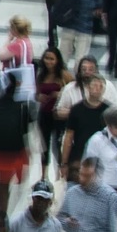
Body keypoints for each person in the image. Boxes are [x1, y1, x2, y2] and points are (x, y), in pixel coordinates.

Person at [0, 72, 34, 214]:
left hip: (4, 149)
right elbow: (27, 128)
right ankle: (8, 213)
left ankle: (6, 212)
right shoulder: (20, 104)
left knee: (5, 184)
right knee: (13, 184)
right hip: (11, 150)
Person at [35, 47, 73, 180]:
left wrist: (60, 94)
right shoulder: (41, 75)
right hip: (44, 114)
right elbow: (35, 92)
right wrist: (38, 97)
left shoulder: (64, 75)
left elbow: (73, 89)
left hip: (59, 116)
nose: (49, 62)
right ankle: (43, 176)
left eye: (52, 59)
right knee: (44, 145)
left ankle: (59, 173)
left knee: (58, 145)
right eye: (46, 58)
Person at [54, 0, 104, 65]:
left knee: (63, 56)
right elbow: (99, 10)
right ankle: (79, 77)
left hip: (69, 25)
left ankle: (62, 76)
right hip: (85, 27)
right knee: (81, 58)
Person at [54, 55, 117, 121]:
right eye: (84, 69)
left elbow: (114, 112)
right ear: (79, 71)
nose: (87, 72)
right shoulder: (70, 88)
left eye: (91, 69)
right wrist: (77, 112)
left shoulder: (108, 86)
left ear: (97, 71)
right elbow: (58, 113)